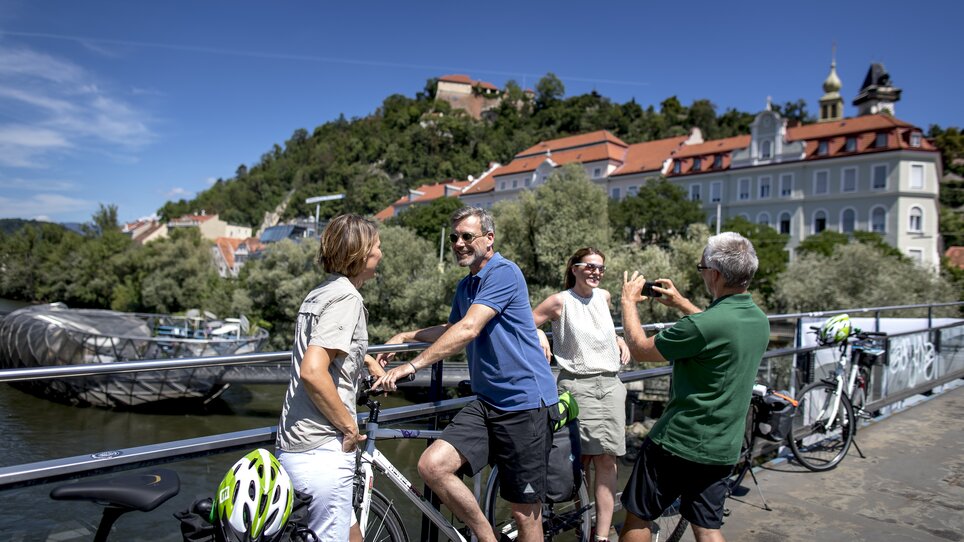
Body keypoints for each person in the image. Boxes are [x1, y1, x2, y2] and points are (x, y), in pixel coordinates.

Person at [374, 206, 558, 542]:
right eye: (455, 236)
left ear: (489, 239)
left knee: (525, 511)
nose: (459, 242)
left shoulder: (504, 272)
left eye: (467, 236)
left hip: (525, 404)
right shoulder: (466, 287)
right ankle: (487, 538)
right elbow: (452, 328)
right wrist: (405, 338)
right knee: (433, 466)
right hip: (487, 401)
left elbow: (469, 329)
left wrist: (412, 366)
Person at [618, 232, 770, 542]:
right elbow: (715, 330)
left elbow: (640, 349)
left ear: (714, 274)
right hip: (723, 446)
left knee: (639, 515)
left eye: (702, 268)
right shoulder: (758, 320)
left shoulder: (701, 326)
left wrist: (627, 302)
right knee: (707, 526)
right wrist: (682, 303)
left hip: (678, 442)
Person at [275, 214, 386, 542]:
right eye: (377, 247)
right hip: (323, 447)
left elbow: (324, 345)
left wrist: (364, 358)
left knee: (353, 536)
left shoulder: (320, 292)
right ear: (361, 253)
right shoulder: (347, 298)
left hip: (296, 442)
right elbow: (312, 370)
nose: (381, 253)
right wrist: (350, 428)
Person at [530, 247, 630, 542]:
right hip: (577, 385)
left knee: (607, 460)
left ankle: (600, 535)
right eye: (589, 266)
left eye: (600, 267)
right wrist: (537, 333)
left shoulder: (605, 297)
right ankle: (582, 521)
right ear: (574, 268)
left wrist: (618, 336)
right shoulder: (559, 302)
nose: (596, 272)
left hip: (610, 385)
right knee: (580, 460)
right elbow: (522, 321)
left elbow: (600, 328)